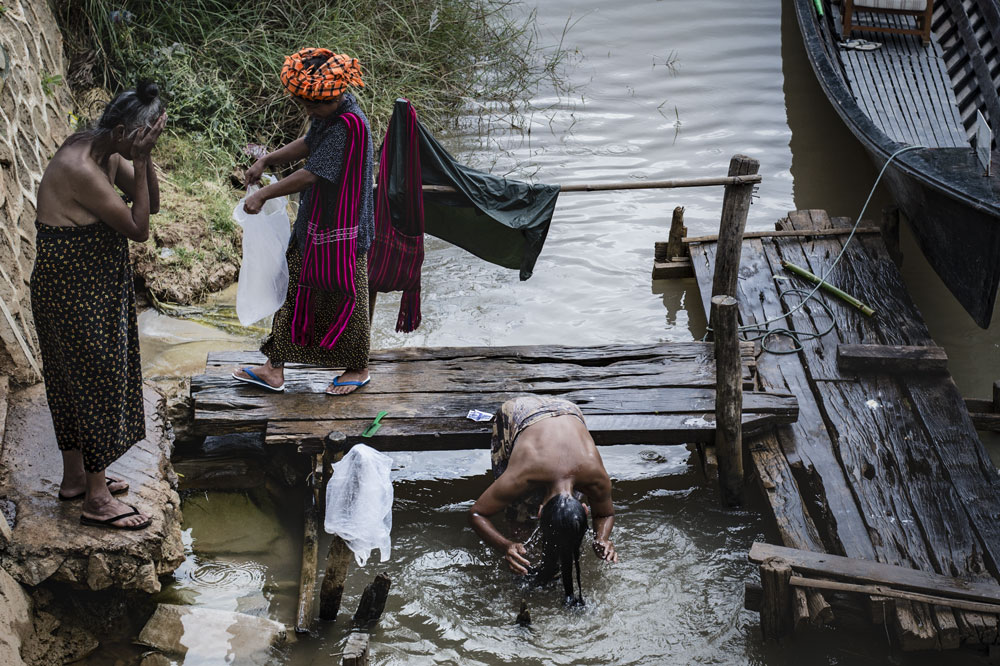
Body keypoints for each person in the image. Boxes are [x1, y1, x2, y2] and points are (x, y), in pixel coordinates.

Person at [31, 80, 167, 530]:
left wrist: (142, 161)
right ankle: (96, 498)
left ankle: (76, 479)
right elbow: (139, 227)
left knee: (79, 381)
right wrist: (142, 159)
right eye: (145, 135)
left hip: (89, 283)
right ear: (125, 129)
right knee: (94, 381)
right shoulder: (81, 167)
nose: (147, 143)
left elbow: (156, 202)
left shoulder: (105, 149)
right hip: (70, 287)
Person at [232, 48, 374, 396]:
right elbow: (310, 143)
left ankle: (358, 368)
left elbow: (313, 174)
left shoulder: (347, 126)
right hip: (317, 224)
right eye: (305, 105)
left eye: (314, 106)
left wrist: (263, 194)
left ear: (335, 96)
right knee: (294, 288)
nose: (309, 111)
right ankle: (273, 367)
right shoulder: (331, 112)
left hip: (345, 231)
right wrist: (266, 160)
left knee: (347, 293)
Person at [469, 396, 618, 604]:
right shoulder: (523, 475)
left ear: (585, 508)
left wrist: (602, 537)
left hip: (568, 410)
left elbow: (605, 513)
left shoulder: (595, 477)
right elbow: (477, 513)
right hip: (520, 412)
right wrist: (507, 546)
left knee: (566, 528)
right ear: (538, 512)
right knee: (519, 519)